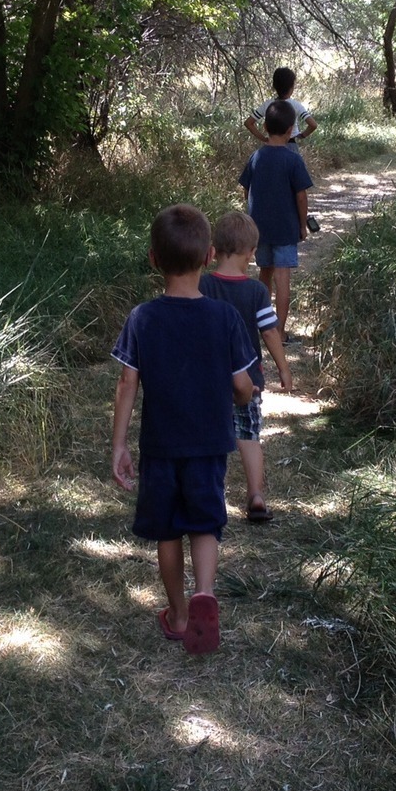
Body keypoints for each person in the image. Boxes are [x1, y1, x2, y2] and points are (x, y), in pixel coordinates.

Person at [111, 204, 256, 655]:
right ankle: (205, 594)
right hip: (210, 443)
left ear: (153, 259)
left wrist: (119, 444)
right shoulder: (225, 318)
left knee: (168, 531)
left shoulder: (142, 318)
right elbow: (242, 385)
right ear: (209, 254)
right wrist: (243, 397)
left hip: (161, 445)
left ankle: (176, 615)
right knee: (206, 522)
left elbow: (126, 382)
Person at [200, 212, 293, 523]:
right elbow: (269, 331)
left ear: (214, 250)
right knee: (249, 435)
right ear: (252, 253)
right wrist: (284, 368)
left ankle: (208, 495)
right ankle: (255, 494)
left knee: (210, 436)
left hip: (207, 378)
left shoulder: (202, 284)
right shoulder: (256, 292)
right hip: (248, 379)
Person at [239, 100, 313, 342]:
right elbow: (301, 196)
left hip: (260, 230)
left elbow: (246, 189)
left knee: (264, 274)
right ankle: (279, 333)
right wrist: (302, 225)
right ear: (291, 129)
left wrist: (251, 219)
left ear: (266, 126)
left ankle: (262, 325)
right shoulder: (292, 160)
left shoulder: (256, 156)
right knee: (283, 279)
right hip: (285, 229)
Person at [246, 65, 318, 148]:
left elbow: (248, 123)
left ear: (275, 86)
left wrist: (264, 139)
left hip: (271, 145)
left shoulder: (267, 104)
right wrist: (302, 135)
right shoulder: (296, 105)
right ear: (291, 87)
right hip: (291, 144)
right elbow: (313, 125)